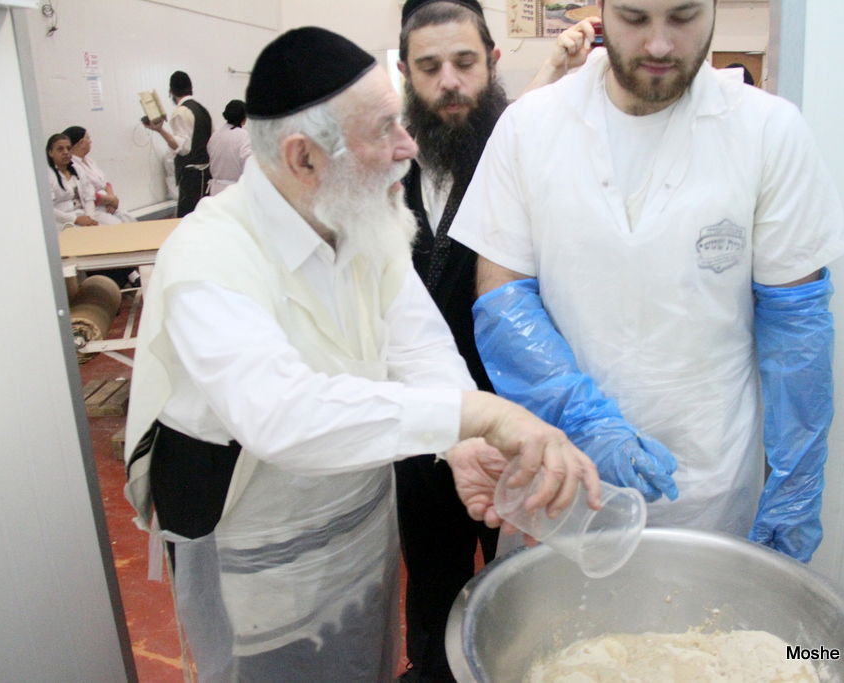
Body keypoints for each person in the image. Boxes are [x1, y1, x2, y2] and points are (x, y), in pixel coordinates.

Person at [123, 27, 599, 682]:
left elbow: (417, 342)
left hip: (359, 524)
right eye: (383, 131)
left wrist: (461, 443)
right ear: (304, 157)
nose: (408, 146)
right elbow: (281, 413)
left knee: (363, 656)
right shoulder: (210, 255)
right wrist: (482, 415)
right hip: (259, 555)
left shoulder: (358, 216)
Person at [450, 0, 844, 564]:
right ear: (602, 10)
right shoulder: (530, 126)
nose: (660, 44)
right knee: (553, 616)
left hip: (710, 484)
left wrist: (795, 485)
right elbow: (502, 296)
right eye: (636, 18)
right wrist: (583, 419)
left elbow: (796, 330)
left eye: (683, 17)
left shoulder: (767, 130)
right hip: (562, 473)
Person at [393, 2, 512, 680]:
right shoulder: (387, 169)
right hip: (423, 426)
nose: (449, 82)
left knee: (519, 593)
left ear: (491, 62)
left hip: (517, 423)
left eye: (464, 63)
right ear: (406, 72)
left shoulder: (527, 154)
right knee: (433, 583)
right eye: (430, 67)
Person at [143, 70, 212, 217]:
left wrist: (160, 130)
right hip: (207, 174)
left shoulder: (180, 112)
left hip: (192, 177)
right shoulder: (202, 109)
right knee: (204, 217)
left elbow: (183, 148)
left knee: (187, 219)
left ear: (171, 91)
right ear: (190, 87)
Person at [45, 133, 122, 230]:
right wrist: (75, 219)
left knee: (116, 224)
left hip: (84, 213)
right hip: (62, 220)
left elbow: (89, 197)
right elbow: (48, 208)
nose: (66, 152)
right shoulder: (46, 176)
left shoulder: (77, 169)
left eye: (68, 148)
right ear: (50, 152)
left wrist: (90, 217)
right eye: (60, 149)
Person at [63, 126, 135, 222]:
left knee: (130, 220)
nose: (90, 141)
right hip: (93, 208)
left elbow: (106, 183)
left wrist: (112, 199)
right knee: (116, 224)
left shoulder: (89, 161)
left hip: (109, 203)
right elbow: (85, 194)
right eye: (88, 138)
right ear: (81, 143)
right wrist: (111, 200)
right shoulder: (72, 166)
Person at [206, 99, 252, 196]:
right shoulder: (244, 136)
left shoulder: (215, 135)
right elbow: (248, 164)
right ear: (244, 118)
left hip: (215, 190)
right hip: (235, 191)